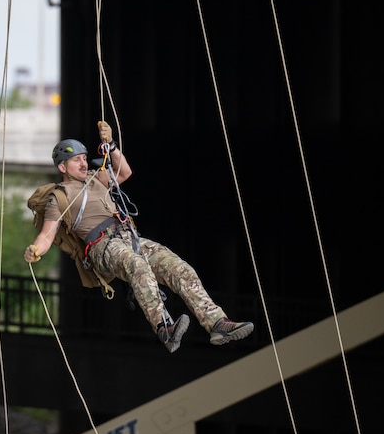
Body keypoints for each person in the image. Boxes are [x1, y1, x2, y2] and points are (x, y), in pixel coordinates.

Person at [24, 121, 254, 353]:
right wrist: (35, 251)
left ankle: (217, 323)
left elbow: (125, 172)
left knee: (178, 267)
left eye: (84, 158)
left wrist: (111, 146)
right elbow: (47, 234)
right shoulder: (59, 197)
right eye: (77, 160)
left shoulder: (96, 178)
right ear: (62, 167)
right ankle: (164, 326)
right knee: (137, 266)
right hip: (101, 246)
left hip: (129, 237)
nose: (83, 163)